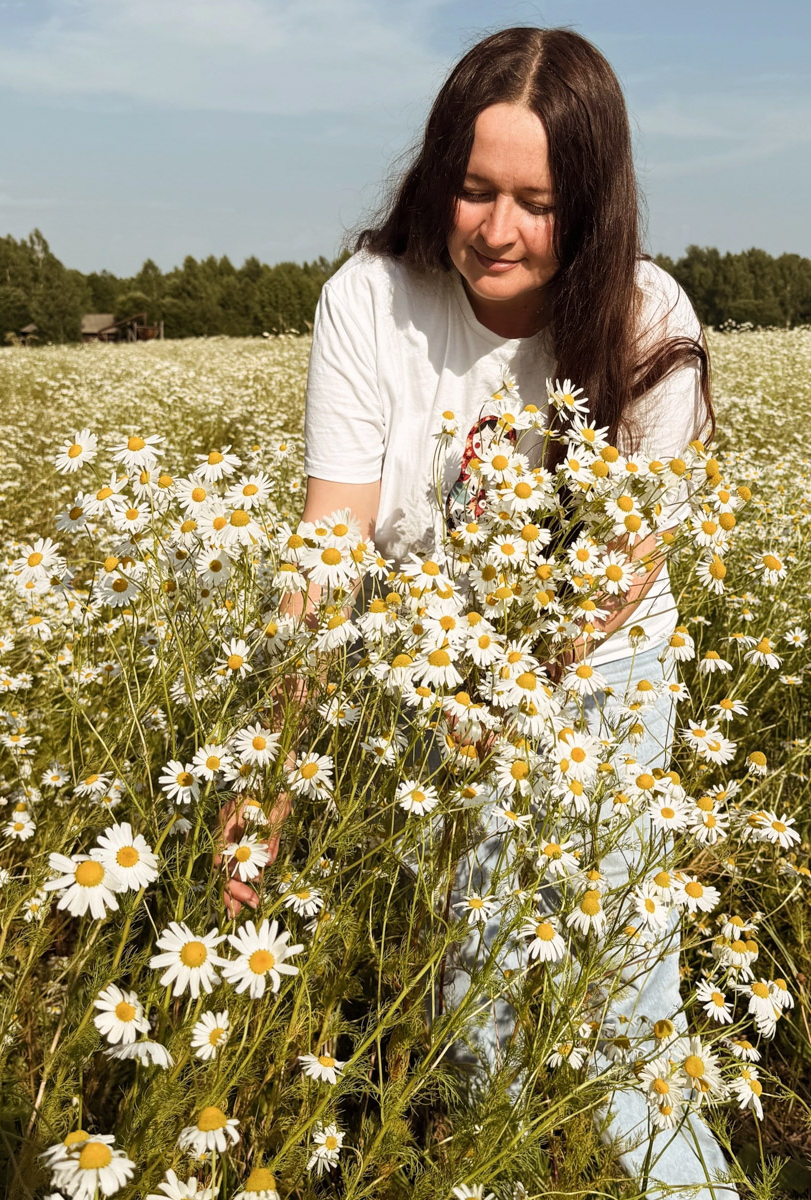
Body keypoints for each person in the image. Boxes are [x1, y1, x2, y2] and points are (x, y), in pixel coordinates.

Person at [224, 25, 734, 1198]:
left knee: (621, 1005)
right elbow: (328, 550)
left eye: (536, 201)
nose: (496, 229)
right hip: (428, 668)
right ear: (436, 181)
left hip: (600, 666)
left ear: (593, 208)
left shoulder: (654, 323)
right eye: (472, 189)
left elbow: (616, 575)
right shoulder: (368, 301)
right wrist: (273, 765)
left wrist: (499, 714)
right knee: (472, 1002)